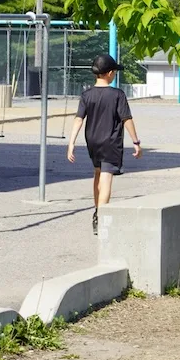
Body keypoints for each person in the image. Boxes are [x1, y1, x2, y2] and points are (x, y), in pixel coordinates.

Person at [68, 54, 143, 235]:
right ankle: (101, 217)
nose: (115, 74)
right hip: (110, 142)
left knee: (98, 173)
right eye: (114, 72)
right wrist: (136, 141)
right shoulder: (117, 95)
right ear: (109, 73)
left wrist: (71, 143)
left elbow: (78, 119)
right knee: (107, 177)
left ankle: (97, 210)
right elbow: (127, 119)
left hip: (92, 141)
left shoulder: (86, 95)